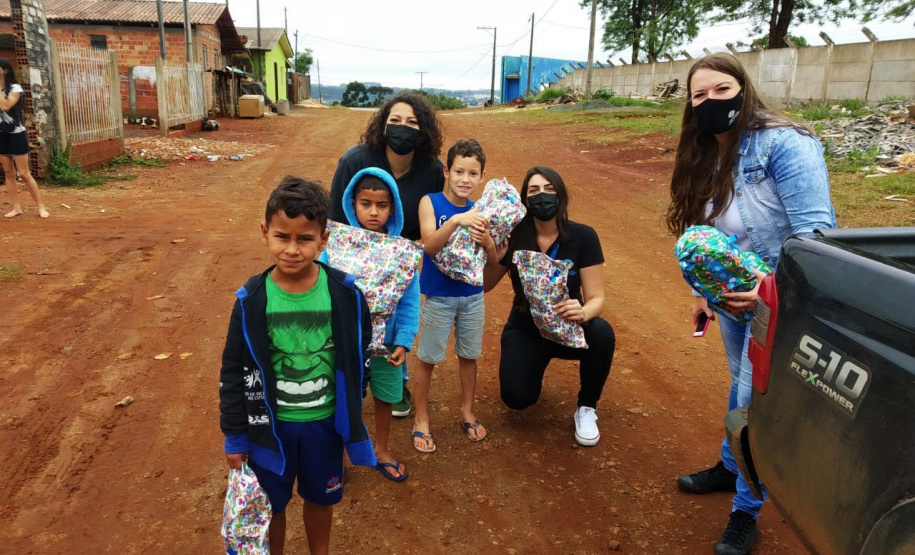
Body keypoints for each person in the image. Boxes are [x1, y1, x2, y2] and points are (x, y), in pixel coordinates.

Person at [667, 53, 836, 555]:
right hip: (732, 300)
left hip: (778, 298)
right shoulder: (705, 152)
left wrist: (770, 287)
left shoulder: (787, 144)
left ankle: (745, 509)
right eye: (700, 95)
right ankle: (729, 463)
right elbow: (707, 232)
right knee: (738, 385)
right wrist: (704, 293)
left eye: (722, 90)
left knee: (749, 400)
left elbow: (816, 237)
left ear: (743, 89)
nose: (711, 102)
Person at [219, 177, 376, 555]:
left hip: (325, 426)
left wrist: (350, 409)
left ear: (323, 239)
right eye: (282, 236)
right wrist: (236, 436)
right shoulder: (251, 300)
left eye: (304, 239)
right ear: (265, 233)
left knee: (321, 500)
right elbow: (233, 371)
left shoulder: (345, 294)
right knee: (272, 504)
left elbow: (360, 351)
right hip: (269, 431)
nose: (292, 249)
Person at [329, 91, 445, 418]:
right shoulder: (354, 162)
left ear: (423, 131)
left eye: (412, 122)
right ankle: (348, 379)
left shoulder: (431, 169)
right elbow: (336, 221)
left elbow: (431, 219)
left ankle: (396, 378)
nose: (403, 128)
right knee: (353, 319)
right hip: (355, 256)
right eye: (395, 121)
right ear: (383, 126)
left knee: (394, 319)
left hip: (399, 261)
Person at [483, 166, 616, 447]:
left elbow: (597, 298)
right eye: (533, 191)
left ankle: (586, 408)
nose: (541, 196)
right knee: (517, 399)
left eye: (548, 189)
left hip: (569, 325)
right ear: (524, 201)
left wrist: (584, 312)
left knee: (602, 334)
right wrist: (496, 256)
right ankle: (534, 361)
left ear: (561, 195)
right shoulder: (516, 235)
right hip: (526, 327)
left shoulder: (583, 237)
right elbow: (485, 285)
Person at [318, 167, 419, 482]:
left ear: (394, 208)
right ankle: (341, 453)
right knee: (345, 396)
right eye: (366, 204)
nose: (374, 212)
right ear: (352, 203)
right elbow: (319, 286)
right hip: (345, 342)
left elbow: (409, 301)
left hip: (386, 346)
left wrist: (403, 340)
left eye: (382, 205)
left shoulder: (401, 252)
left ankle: (381, 449)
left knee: (386, 396)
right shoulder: (335, 246)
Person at [412, 138, 493, 453]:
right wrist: (457, 220)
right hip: (439, 297)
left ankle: (468, 411)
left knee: (469, 355)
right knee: (428, 357)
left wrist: (486, 240)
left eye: (473, 174)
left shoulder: (480, 211)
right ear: (446, 170)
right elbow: (429, 246)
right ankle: (421, 419)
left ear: (482, 177)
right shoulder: (430, 203)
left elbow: (495, 255)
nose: (465, 179)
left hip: (473, 296)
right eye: (459, 171)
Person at [0, 58, 48, 219]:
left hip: (16, 134)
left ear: (4, 70)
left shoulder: (15, 88)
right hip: (1, 135)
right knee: (8, 172)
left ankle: (40, 206)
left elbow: (6, 105)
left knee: (24, 173)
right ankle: (16, 207)